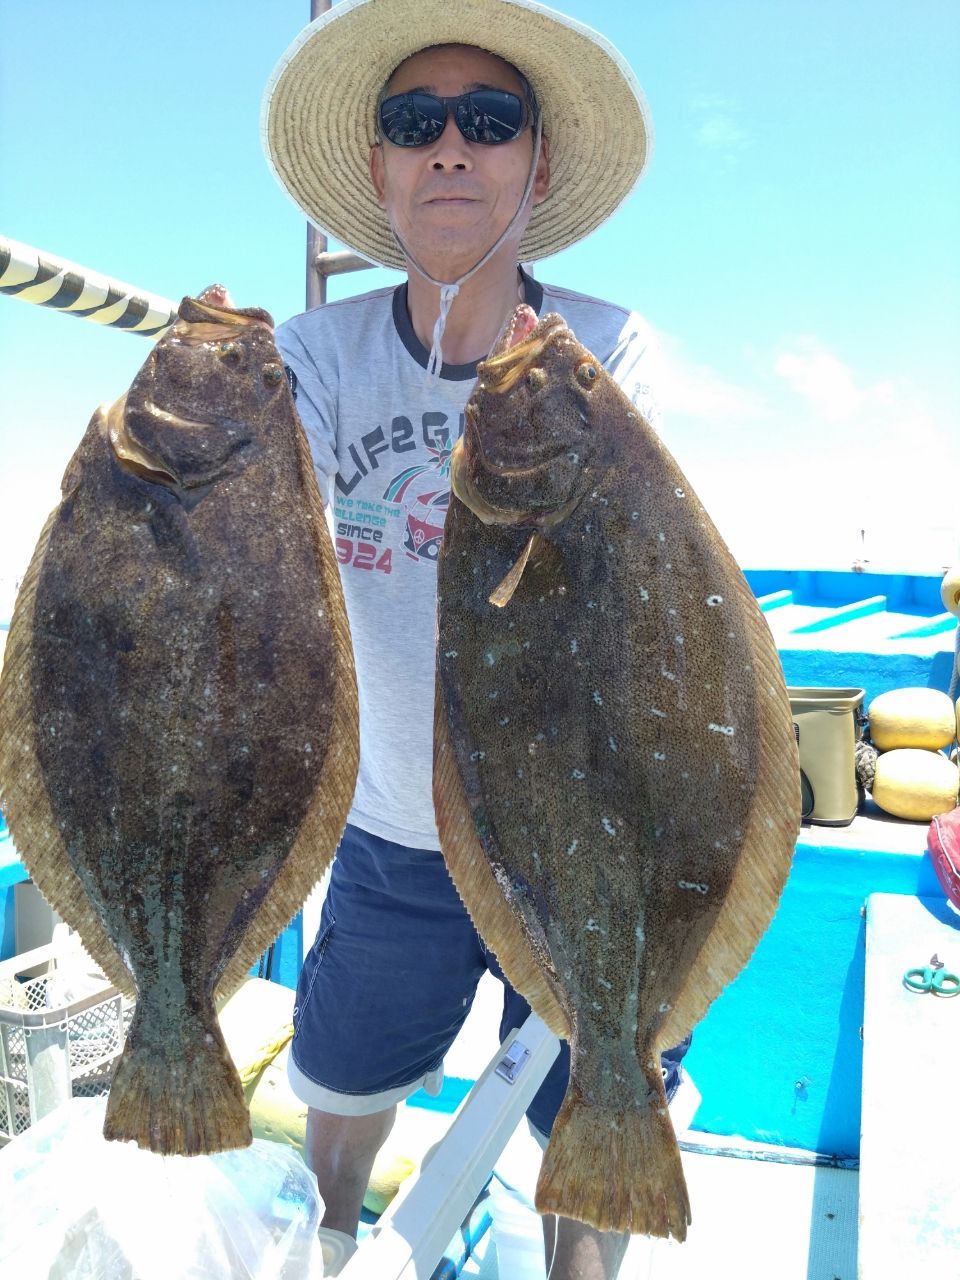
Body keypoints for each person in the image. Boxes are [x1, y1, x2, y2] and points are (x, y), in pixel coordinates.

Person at [261, 2, 690, 1275]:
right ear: (381, 166)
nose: (450, 145)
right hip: (390, 824)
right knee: (340, 1100)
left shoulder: (606, 352)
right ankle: (325, 1250)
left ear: (535, 165)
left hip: (581, 840)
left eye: (488, 119)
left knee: (597, 1116)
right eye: (415, 121)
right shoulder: (312, 355)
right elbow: (240, 533)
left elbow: (645, 598)